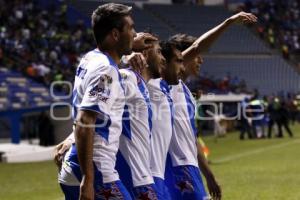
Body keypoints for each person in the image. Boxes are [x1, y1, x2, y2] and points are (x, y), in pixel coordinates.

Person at [166, 11, 257, 199]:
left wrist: (209, 175)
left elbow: (192, 138)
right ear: (181, 58)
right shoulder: (165, 82)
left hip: (188, 167)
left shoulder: (185, 92)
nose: (201, 59)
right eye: (196, 55)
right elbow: (198, 45)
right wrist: (228, 22)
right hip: (175, 168)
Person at [58, 3, 136, 200]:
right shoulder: (106, 70)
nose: (134, 34)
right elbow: (85, 121)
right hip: (96, 168)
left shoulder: (90, 58)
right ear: (115, 35)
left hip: (74, 165)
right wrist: (88, 180)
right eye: (131, 28)